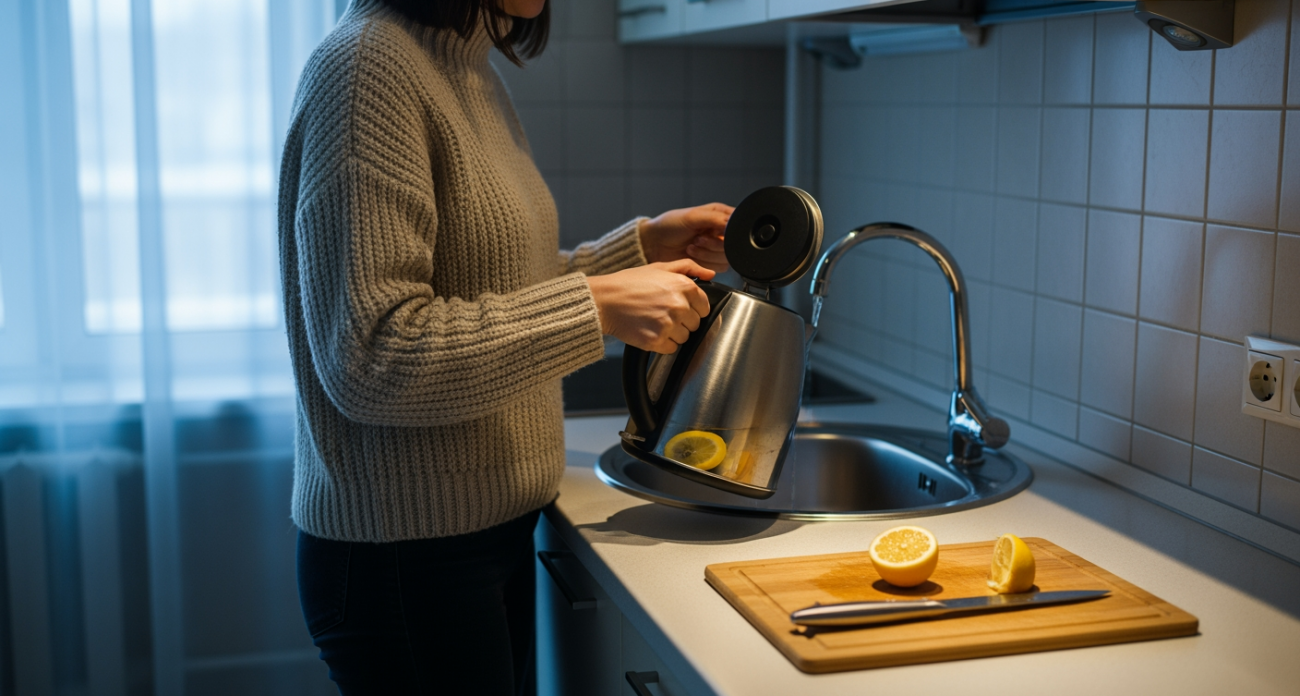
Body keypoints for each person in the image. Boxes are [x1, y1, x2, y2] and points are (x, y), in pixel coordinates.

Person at [277, 0, 733, 694]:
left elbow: (491, 283)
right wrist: (597, 307)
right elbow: (373, 357)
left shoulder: (466, 65)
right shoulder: (367, 66)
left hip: (479, 535)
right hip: (405, 558)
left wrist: (634, 251)